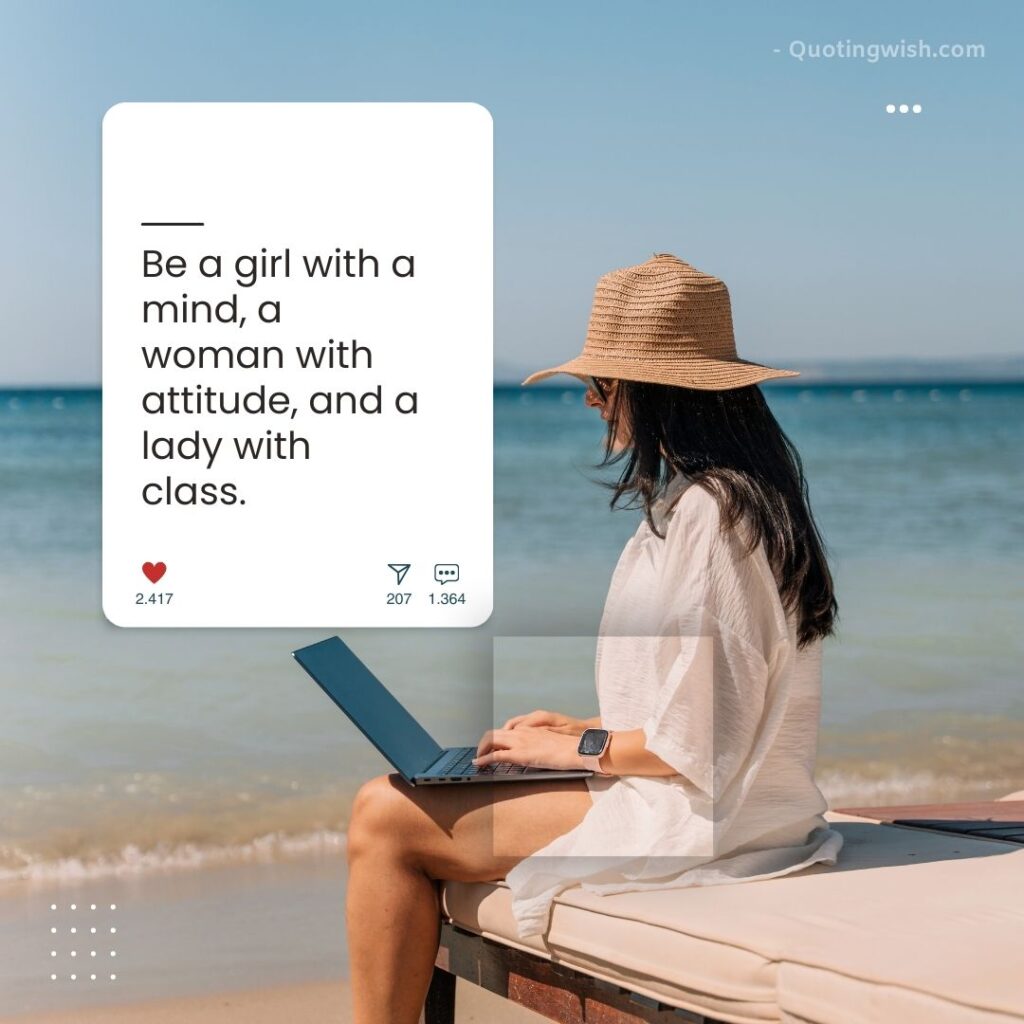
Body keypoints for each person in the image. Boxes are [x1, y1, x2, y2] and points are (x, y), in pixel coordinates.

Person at [344, 252, 844, 1024]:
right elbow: (705, 707)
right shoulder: (696, 506)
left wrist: (578, 753)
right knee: (397, 803)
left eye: (602, 383)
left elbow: (708, 742)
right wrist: (580, 730)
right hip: (695, 800)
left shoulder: (717, 515)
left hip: (711, 823)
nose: (588, 400)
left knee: (385, 814)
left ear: (654, 390)